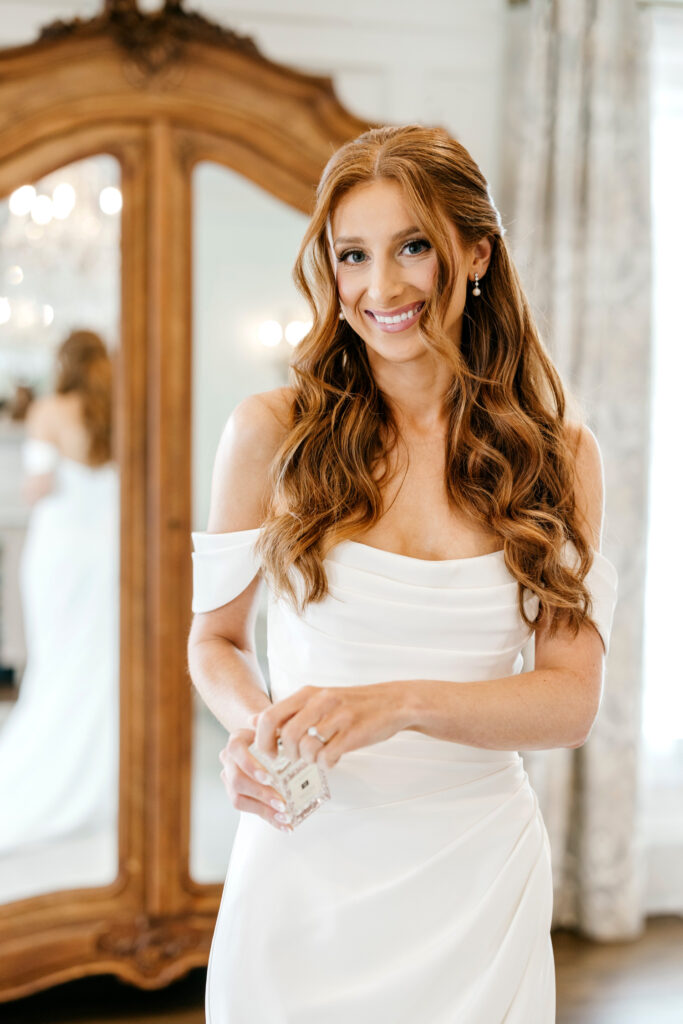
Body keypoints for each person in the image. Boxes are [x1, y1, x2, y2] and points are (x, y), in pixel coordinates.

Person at [188, 124, 618, 1023]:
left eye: (411, 247)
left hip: (476, 878)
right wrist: (255, 732)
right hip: (303, 869)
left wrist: (397, 703)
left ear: (474, 254)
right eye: (352, 255)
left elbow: (569, 701)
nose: (379, 288)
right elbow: (216, 642)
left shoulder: (558, 458)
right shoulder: (269, 433)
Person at [0, 329, 119, 856]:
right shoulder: (118, 410)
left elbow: (38, 485)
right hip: (108, 555)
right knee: (96, 660)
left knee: (55, 659)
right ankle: (95, 782)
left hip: (59, 555)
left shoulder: (49, 409)